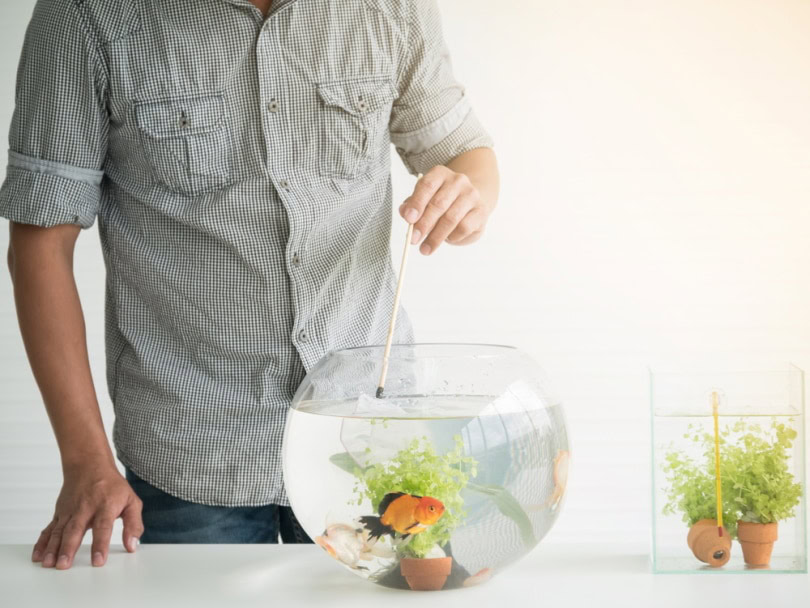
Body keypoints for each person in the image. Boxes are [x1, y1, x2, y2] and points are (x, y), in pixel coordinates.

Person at [1, 0, 499, 570]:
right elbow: (40, 242)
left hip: (373, 437)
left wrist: (468, 196)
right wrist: (85, 460)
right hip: (189, 451)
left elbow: (463, 150)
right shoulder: (85, 14)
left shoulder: (393, 7)